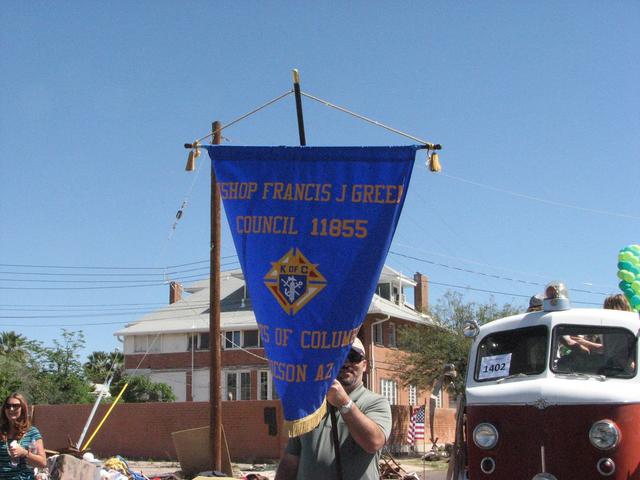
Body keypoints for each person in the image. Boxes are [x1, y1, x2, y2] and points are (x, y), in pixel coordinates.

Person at [275, 337, 392, 480]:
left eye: (354, 357)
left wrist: (345, 404)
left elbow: (374, 442)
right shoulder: (308, 405)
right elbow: (291, 459)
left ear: (365, 365)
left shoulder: (375, 402)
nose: (346, 363)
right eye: (340, 356)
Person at [0, 393, 47, 480]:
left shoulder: (32, 432)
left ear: (23, 409)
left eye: (16, 406)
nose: (11, 409)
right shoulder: (1, 432)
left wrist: (24, 453)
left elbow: (43, 462)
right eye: (8, 406)